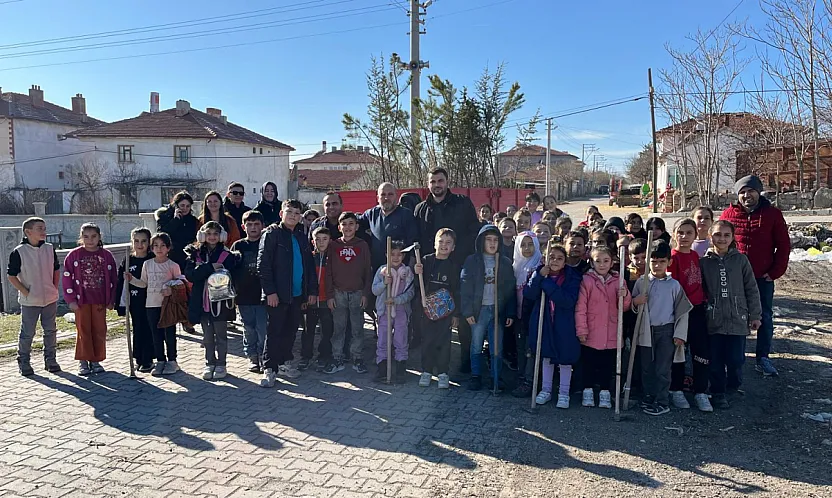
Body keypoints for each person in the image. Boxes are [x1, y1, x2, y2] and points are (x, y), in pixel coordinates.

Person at [720, 175, 789, 377]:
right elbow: (720, 242)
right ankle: (735, 357)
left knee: (764, 316)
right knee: (735, 317)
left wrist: (775, 272)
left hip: (761, 277)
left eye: (750, 191)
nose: (746, 195)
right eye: (742, 192)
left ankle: (763, 358)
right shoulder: (728, 214)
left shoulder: (772, 214)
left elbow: (783, 245)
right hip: (735, 278)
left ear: (758, 192)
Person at [414, 168, 479, 372]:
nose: (437, 185)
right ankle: (430, 364)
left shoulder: (463, 203)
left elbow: (473, 232)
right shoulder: (421, 209)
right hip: (432, 272)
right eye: (432, 181)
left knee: (461, 316)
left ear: (447, 182)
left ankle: (466, 362)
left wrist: (460, 259)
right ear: (428, 184)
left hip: (459, 268)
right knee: (431, 319)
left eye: (440, 180)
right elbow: (418, 240)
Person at [701, 220, 762, 409]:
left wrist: (755, 315)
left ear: (733, 237)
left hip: (737, 318)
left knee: (736, 359)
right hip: (714, 320)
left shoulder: (741, 260)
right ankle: (718, 392)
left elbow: (751, 288)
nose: (722, 239)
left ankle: (733, 386)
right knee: (716, 360)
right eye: (718, 235)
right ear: (710, 236)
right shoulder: (704, 262)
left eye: (726, 235)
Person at [258, 200, 317, 386]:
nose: (293, 216)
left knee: (291, 330)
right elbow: (263, 265)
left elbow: (309, 266)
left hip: (297, 294)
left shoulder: (301, 236)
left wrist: (311, 291)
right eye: (289, 212)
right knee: (274, 331)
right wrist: (270, 292)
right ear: (281, 213)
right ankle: (269, 368)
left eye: (297, 213)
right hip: (278, 294)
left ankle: (284, 362)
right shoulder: (272, 234)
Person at [632, 240, 692, 416]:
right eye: (653, 261)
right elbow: (632, 306)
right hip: (646, 331)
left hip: (666, 331)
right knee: (647, 367)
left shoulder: (674, 285)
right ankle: (649, 396)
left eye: (662, 261)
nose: (657, 265)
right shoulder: (641, 282)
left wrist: (680, 334)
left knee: (662, 368)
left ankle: (662, 401)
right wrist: (636, 302)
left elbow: (683, 311)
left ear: (669, 262)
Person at [525, 244, 582, 408]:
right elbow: (529, 294)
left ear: (565, 262)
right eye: (551, 257)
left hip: (564, 324)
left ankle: (564, 392)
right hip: (544, 322)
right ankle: (546, 389)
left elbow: (567, 300)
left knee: (565, 357)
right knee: (546, 355)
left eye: (559, 258)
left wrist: (547, 284)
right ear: (544, 259)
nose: (555, 261)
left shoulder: (572, 278)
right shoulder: (538, 274)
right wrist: (539, 277)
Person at [461, 224, 516, 391]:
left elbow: (510, 289)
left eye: (495, 240)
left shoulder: (504, 262)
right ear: (481, 242)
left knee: (496, 346)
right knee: (476, 344)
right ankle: (476, 375)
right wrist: (467, 311)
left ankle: (495, 377)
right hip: (479, 310)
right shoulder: (472, 261)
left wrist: (510, 312)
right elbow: (465, 287)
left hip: (497, 310)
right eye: (488, 240)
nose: (492, 243)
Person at [575, 246, 632, 409]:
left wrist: (625, 296)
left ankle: (605, 391)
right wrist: (581, 330)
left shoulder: (619, 280)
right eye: (598, 261)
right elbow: (580, 307)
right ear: (591, 263)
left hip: (612, 331)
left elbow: (624, 307)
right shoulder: (586, 281)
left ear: (612, 262)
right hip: (592, 331)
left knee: (608, 364)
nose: (602, 264)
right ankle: (587, 389)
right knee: (589, 363)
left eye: (606, 261)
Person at [185, 223, 239, 381]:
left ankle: (221, 364)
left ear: (221, 236)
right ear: (202, 235)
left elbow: (232, 277)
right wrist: (209, 267)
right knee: (207, 336)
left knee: (221, 335)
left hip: (221, 303)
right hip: (202, 303)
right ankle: (210, 362)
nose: (212, 237)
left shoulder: (227, 255)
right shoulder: (194, 254)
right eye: (209, 233)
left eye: (216, 233)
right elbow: (190, 275)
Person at [8, 217, 61, 376]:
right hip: (30, 301)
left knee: (50, 330)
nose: (44, 231)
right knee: (27, 332)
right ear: (28, 232)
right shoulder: (19, 252)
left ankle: (50, 360)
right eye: (40, 228)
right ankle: (24, 361)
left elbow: (56, 269)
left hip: (50, 298)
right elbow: (11, 276)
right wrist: (26, 292)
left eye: (44, 228)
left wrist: (53, 287)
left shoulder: (49, 248)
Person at [62, 223, 118, 376]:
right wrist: (71, 300)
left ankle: (96, 360)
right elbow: (67, 278)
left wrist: (111, 299)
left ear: (99, 237)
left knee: (99, 329)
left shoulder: (106, 256)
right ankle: (83, 360)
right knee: (83, 329)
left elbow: (114, 278)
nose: (90, 240)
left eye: (93, 236)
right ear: (81, 238)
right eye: (86, 237)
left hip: (100, 299)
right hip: (81, 301)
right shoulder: (73, 255)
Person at [668, 219, 712, 412]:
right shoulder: (672, 258)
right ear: (674, 234)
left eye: (689, 233)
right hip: (680, 311)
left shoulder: (695, 255)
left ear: (695, 235)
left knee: (701, 351)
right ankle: (676, 389)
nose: (684, 236)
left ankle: (700, 391)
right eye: (680, 232)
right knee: (679, 351)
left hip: (698, 309)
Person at [324, 212, 373, 375]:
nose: (347, 227)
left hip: (357, 292)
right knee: (339, 328)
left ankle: (357, 357)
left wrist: (365, 293)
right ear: (339, 227)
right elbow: (329, 272)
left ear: (357, 226)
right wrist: (329, 295)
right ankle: (337, 357)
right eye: (344, 224)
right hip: (338, 293)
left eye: (351, 224)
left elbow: (367, 271)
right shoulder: (334, 245)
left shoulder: (362, 245)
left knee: (357, 328)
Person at [133, 232, 184, 376]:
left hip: (167, 305)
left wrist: (171, 289)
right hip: (151, 304)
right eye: (155, 245)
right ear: (151, 248)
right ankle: (160, 360)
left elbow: (180, 282)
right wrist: (131, 279)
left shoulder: (173, 265)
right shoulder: (147, 264)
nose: (159, 248)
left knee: (169, 333)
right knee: (156, 334)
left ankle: (172, 361)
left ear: (168, 248)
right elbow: (144, 283)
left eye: (162, 245)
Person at [414, 228, 459, 389]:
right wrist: (416, 272)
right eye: (440, 241)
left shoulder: (454, 266)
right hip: (427, 310)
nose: (444, 245)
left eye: (448, 242)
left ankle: (443, 373)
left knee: (444, 341)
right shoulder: (425, 261)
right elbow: (417, 284)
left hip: (445, 312)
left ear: (453, 247)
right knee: (427, 340)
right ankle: (426, 371)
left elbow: (457, 290)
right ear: (434, 244)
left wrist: (456, 314)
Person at [371, 240, 415, 383]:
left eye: (399, 254)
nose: (396, 257)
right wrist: (384, 283)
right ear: (386, 255)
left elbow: (410, 293)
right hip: (384, 311)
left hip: (401, 310)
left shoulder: (407, 272)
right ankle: (382, 368)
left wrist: (396, 300)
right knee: (383, 338)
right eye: (392, 254)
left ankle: (401, 368)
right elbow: (374, 290)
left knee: (401, 338)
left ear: (403, 256)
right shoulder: (382, 271)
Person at [231, 210, 267, 373]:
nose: (253, 227)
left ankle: (263, 356)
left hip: (263, 295)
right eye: (249, 224)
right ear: (243, 226)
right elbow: (232, 270)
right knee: (248, 328)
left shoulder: (267, 243)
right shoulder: (238, 246)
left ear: (262, 226)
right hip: (243, 296)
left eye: (256, 224)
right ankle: (252, 357)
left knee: (263, 328)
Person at [116, 228, 155, 373]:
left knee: (149, 328)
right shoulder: (128, 260)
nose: (140, 244)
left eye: (144, 241)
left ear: (149, 242)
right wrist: (120, 304)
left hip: (151, 300)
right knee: (138, 328)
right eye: (136, 241)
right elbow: (120, 282)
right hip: (135, 301)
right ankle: (139, 358)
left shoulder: (152, 258)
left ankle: (149, 359)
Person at [508, 232, 541, 398]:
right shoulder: (515, 267)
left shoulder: (540, 266)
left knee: (531, 349)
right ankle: (521, 377)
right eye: (523, 245)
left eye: (530, 244)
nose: (527, 248)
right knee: (521, 348)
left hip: (534, 316)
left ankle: (530, 381)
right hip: (519, 316)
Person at [361, 182, 418, 274]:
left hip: (400, 272)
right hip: (378, 272)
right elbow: (353, 223)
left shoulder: (406, 215)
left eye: (390, 194)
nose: (386, 198)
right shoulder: (371, 214)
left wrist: (410, 269)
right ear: (378, 198)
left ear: (396, 197)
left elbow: (414, 242)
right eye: (383, 195)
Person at [303, 226, 335, 372]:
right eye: (318, 239)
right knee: (308, 330)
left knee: (326, 330)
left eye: (324, 239)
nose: (321, 242)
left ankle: (324, 355)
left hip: (326, 300)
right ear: (312, 241)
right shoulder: (309, 258)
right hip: (311, 301)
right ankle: (306, 355)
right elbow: (304, 279)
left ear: (330, 241)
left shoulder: (332, 259)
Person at [155, 191, 198, 270]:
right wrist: (176, 221)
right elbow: (161, 234)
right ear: (176, 205)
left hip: (186, 257)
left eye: (188, 206)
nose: (185, 208)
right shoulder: (164, 217)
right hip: (169, 255)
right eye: (182, 205)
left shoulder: (192, 220)